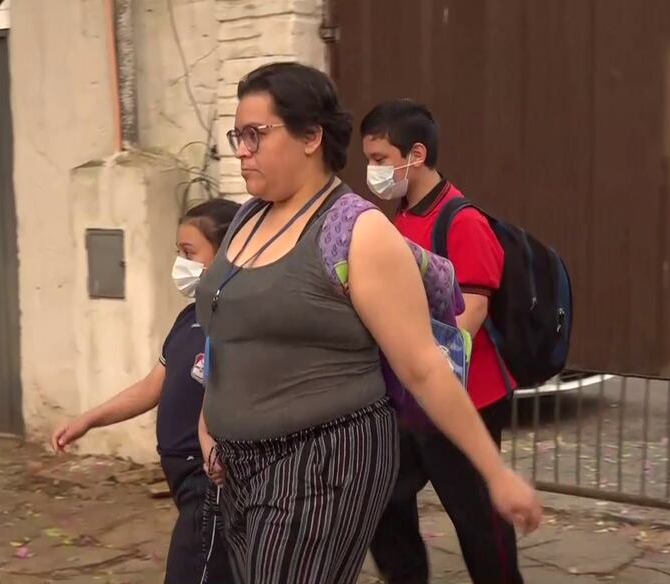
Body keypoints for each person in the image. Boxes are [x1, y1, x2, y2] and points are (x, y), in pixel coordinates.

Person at [195, 62, 541, 584]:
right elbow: (228, 331)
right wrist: (210, 423)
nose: (241, 149)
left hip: (319, 468)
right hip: (240, 469)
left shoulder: (356, 232)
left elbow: (425, 364)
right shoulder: (249, 216)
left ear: (311, 136)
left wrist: (496, 474)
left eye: (256, 134)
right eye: (237, 135)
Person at [361, 98, 524, 584]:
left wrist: (421, 364)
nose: (372, 172)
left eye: (379, 160)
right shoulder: (401, 215)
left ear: (416, 153)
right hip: (412, 394)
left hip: (464, 398)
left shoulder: (462, 220)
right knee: (383, 497)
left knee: (479, 521)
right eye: (368, 160)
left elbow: (471, 312)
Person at [50, 198, 240, 584]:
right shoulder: (191, 316)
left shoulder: (236, 322)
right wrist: (88, 420)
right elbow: (154, 386)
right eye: (178, 252)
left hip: (211, 480)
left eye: (189, 253)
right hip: (184, 482)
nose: (180, 264)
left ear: (225, 255)